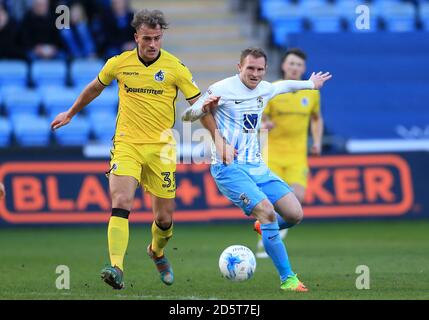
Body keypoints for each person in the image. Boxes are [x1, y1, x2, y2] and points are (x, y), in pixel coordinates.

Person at [51, 9, 201, 290]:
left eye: (157, 38)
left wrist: (219, 140)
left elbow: (199, 106)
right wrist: (70, 113)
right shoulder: (120, 63)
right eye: (147, 38)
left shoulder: (176, 68)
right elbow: (95, 88)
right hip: (126, 144)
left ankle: (156, 251)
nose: (153, 44)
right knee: (121, 202)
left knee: (164, 218)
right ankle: (116, 267)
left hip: (162, 149)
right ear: (136, 37)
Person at [182, 48, 331, 291]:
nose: (255, 73)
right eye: (250, 68)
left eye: (260, 69)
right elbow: (187, 116)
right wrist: (203, 107)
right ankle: (288, 279)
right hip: (229, 167)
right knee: (268, 211)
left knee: (295, 214)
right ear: (239, 67)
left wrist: (311, 84)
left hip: (257, 167)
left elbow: (284, 86)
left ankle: (264, 228)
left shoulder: (265, 88)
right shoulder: (221, 89)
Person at [254, 48, 324, 258]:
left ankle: (267, 229)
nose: (294, 68)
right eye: (291, 63)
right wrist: (266, 124)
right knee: (269, 201)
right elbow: (257, 121)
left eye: (299, 65)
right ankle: (267, 240)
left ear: (304, 69)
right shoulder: (272, 91)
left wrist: (317, 142)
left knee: (297, 197)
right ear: (284, 66)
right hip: (272, 154)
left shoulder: (311, 93)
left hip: (296, 156)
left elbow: (316, 118)